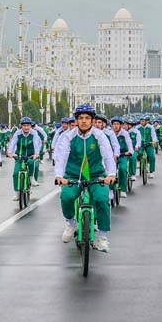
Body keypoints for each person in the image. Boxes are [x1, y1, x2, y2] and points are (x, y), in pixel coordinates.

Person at [54, 104, 117, 252]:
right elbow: (61, 157)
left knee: (102, 199)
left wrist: (111, 174)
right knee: (66, 197)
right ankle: (71, 223)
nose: (83, 121)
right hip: (73, 174)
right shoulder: (68, 136)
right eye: (80, 118)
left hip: (96, 174)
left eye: (87, 118)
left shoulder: (99, 135)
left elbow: (108, 155)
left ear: (92, 120)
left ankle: (102, 237)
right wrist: (59, 176)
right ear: (76, 120)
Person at [7, 117, 43, 201]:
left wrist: (36, 154)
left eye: (28, 125)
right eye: (24, 125)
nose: (26, 127)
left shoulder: (34, 133)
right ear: (21, 126)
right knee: (16, 173)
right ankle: (17, 194)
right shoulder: (17, 133)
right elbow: (13, 143)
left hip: (31, 155)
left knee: (31, 163)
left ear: (30, 126)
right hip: (20, 156)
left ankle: (31, 178)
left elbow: (36, 144)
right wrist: (10, 153)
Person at [111, 117, 134, 199]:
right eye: (114, 124)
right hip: (112, 156)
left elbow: (129, 142)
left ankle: (123, 189)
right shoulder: (110, 133)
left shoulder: (124, 133)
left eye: (118, 124)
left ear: (120, 125)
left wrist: (130, 151)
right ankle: (111, 190)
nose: (116, 126)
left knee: (123, 169)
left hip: (122, 155)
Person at [137, 115, 158, 180]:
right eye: (141, 121)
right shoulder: (137, 128)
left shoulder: (150, 127)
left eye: (143, 121)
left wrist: (154, 141)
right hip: (141, 145)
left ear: (146, 121)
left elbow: (154, 135)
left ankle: (151, 172)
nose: (142, 122)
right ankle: (140, 163)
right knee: (137, 154)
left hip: (149, 144)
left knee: (152, 157)